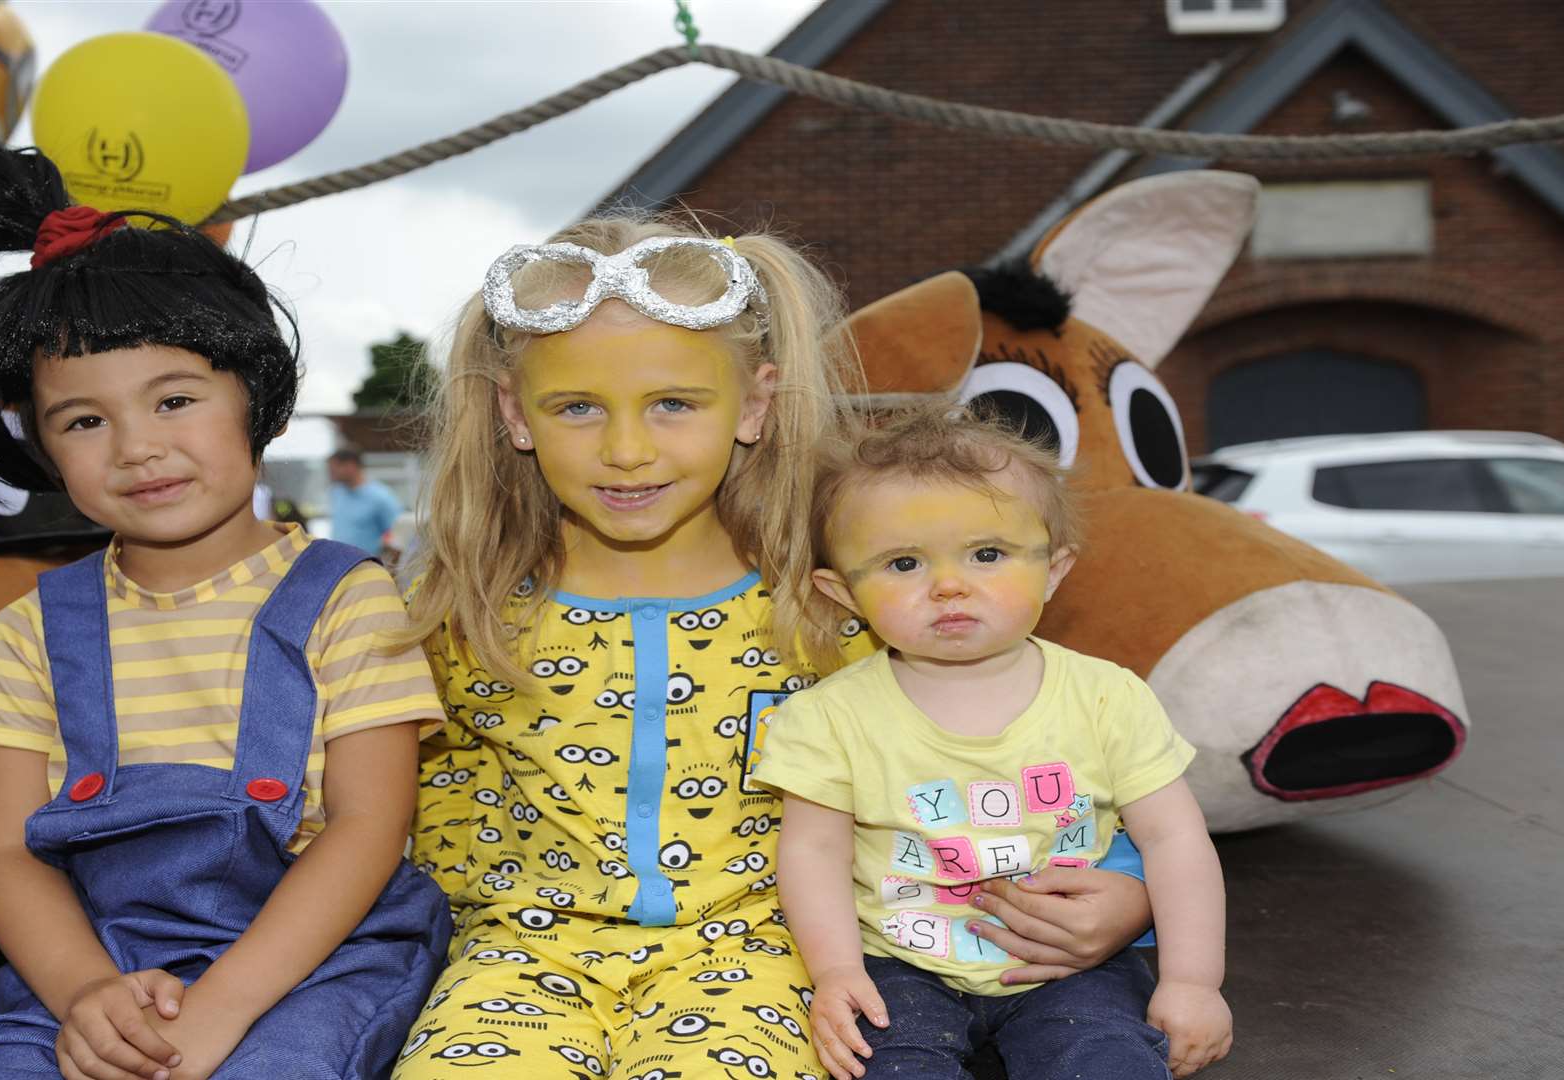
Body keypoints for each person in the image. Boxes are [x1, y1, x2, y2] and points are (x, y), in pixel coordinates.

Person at [387, 218, 1158, 1079]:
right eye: (576, 407)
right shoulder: (462, 610)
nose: (628, 450)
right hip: (515, 960)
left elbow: (1023, 757)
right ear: (512, 414)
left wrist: (1127, 891)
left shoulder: (834, 607)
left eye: (674, 402)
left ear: (754, 404)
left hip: (760, 956)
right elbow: (394, 803)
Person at [0, 90, 452, 1080]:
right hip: (101, 956)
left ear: (255, 398)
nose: (137, 448)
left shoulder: (346, 597)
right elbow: (5, 856)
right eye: (83, 421)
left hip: (315, 959)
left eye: (174, 399)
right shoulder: (30, 631)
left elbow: (369, 826)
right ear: (39, 444)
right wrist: (85, 995)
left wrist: (220, 1011)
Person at [753, 407, 1232, 1080]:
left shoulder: (1106, 697)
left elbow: (1175, 841)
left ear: (1054, 570)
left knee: (1108, 1063)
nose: (948, 585)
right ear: (844, 593)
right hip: (898, 967)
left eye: (987, 554)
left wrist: (1192, 982)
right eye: (903, 562)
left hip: (1068, 966)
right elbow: (812, 850)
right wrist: (835, 972)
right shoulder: (830, 717)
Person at [326, 448, 404, 553]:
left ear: (351, 466)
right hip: (340, 564)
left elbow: (398, 535)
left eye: (334, 468)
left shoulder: (381, 497)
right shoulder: (337, 492)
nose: (331, 473)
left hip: (368, 566)